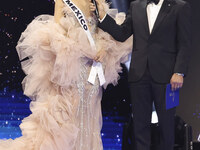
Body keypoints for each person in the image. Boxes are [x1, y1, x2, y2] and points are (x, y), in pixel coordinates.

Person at [0, 0, 132, 149]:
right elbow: (56, 34)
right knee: (71, 113)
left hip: (92, 68)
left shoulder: (96, 1)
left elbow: (103, 32)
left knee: (90, 112)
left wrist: (103, 49)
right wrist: (84, 50)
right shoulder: (63, 1)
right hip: (72, 67)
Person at [91, 0, 192, 150]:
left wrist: (179, 71)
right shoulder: (136, 6)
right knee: (140, 127)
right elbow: (122, 33)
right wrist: (102, 16)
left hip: (168, 78)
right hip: (139, 77)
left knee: (166, 126)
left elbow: (184, 43)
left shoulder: (180, 7)